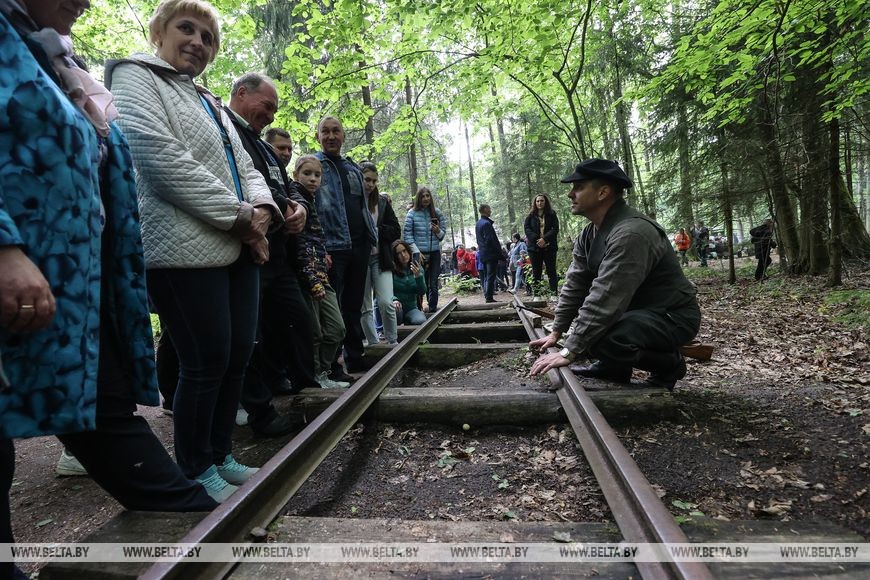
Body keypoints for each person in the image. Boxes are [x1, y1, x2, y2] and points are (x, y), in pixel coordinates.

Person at [1, 3, 219, 572]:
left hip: (75, 287)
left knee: (105, 403)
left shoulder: (47, 53)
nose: (87, 2)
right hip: (19, 272)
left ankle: (196, 516)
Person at [108, 0, 281, 502]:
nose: (198, 43)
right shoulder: (135, 77)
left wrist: (264, 207)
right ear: (159, 31)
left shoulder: (207, 100)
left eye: (208, 37)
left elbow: (243, 164)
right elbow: (160, 158)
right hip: (182, 249)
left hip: (238, 248)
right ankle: (194, 466)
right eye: (187, 29)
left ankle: (221, 453)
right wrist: (244, 218)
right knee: (202, 362)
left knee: (235, 357)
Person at [530, 159, 700, 392]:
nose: (571, 194)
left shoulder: (632, 233)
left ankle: (669, 365)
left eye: (578, 187)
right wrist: (557, 331)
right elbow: (575, 283)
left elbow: (606, 295)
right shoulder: (589, 233)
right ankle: (613, 368)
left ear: (603, 192)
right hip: (636, 312)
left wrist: (570, 349)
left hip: (671, 316)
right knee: (589, 331)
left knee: (601, 336)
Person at [226, 73, 315, 435]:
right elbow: (240, 185)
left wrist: (297, 207)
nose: (271, 116)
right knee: (249, 335)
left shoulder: (260, 144)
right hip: (251, 248)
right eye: (267, 106)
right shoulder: (227, 131)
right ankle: (258, 411)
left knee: (297, 320)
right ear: (242, 93)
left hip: (280, 252)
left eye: (275, 110)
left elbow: (279, 184)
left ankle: (306, 390)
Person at [314, 116, 377, 379]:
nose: (331, 136)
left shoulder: (353, 169)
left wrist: (371, 238)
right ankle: (331, 364)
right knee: (334, 307)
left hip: (359, 245)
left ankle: (354, 356)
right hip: (332, 247)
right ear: (318, 137)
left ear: (343, 136)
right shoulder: (314, 166)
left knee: (353, 304)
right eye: (325, 132)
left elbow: (362, 206)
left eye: (335, 131)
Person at [292, 155, 349, 389]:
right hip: (307, 277)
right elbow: (299, 243)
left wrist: (323, 254)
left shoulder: (311, 200)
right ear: (296, 175)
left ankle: (323, 372)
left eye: (317, 175)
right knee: (313, 332)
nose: (313, 179)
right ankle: (316, 377)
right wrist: (312, 279)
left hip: (320, 273)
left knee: (337, 328)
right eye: (307, 173)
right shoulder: (296, 198)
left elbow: (315, 238)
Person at [359, 162, 400, 346]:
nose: (370, 184)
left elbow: (395, 230)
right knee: (365, 306)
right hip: (359, 260)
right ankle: (373, 344)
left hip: (380, 258)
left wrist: (377, 229)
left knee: (385, 302)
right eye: (367, 179)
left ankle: (393, 341)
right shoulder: (352, 200)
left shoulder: (382, 203)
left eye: (374, 181)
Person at [403, 187, 446, 311]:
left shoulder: (437, 213)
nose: (426, 198)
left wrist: (437, 231)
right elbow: (408, 235)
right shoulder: (411, 213)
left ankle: (432, 309)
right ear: (418, 198)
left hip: (434, 253)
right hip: (418, 254)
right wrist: (416, 251)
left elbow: (442, 236)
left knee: (433, 283)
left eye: (428, 196)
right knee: (419, 280)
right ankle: (417, 308)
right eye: (423, 196)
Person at [524, 194, 560, 292]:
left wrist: (545, 239)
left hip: (549, 247)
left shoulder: (552, 214)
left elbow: (555, 228)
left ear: (545, 202)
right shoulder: (530, 215)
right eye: (538, 201)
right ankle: (537, 294)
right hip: (534, 248)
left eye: (542, 201)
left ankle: (553, 293)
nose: (540, 203)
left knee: (551, 271)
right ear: (535, 203)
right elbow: (527, 229)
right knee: (536, 272)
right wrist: (537, 239)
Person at [391, 241, 427, 325]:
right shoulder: (391, 270)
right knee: (395, 309)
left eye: (404, 251)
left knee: (420, 321)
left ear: (408, 251)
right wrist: (394, 299)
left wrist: (418, 277)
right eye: (398, 253)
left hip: (411, 308)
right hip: (396, 308)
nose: (403, 255)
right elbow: (386, 291)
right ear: (395, 256)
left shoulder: (418, 268)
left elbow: (422, 291)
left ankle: (408, 320)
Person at [475, 205, 502, 303]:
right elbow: (491, 240)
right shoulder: (486, 224)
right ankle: (489, 297)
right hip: (490, 254)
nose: (491, 210)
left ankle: (487, 295)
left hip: (483, 253)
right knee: (490, 275)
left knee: (487, 275)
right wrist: (500, 254)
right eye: (489, 209)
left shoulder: (478, 223)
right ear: (485, 210)